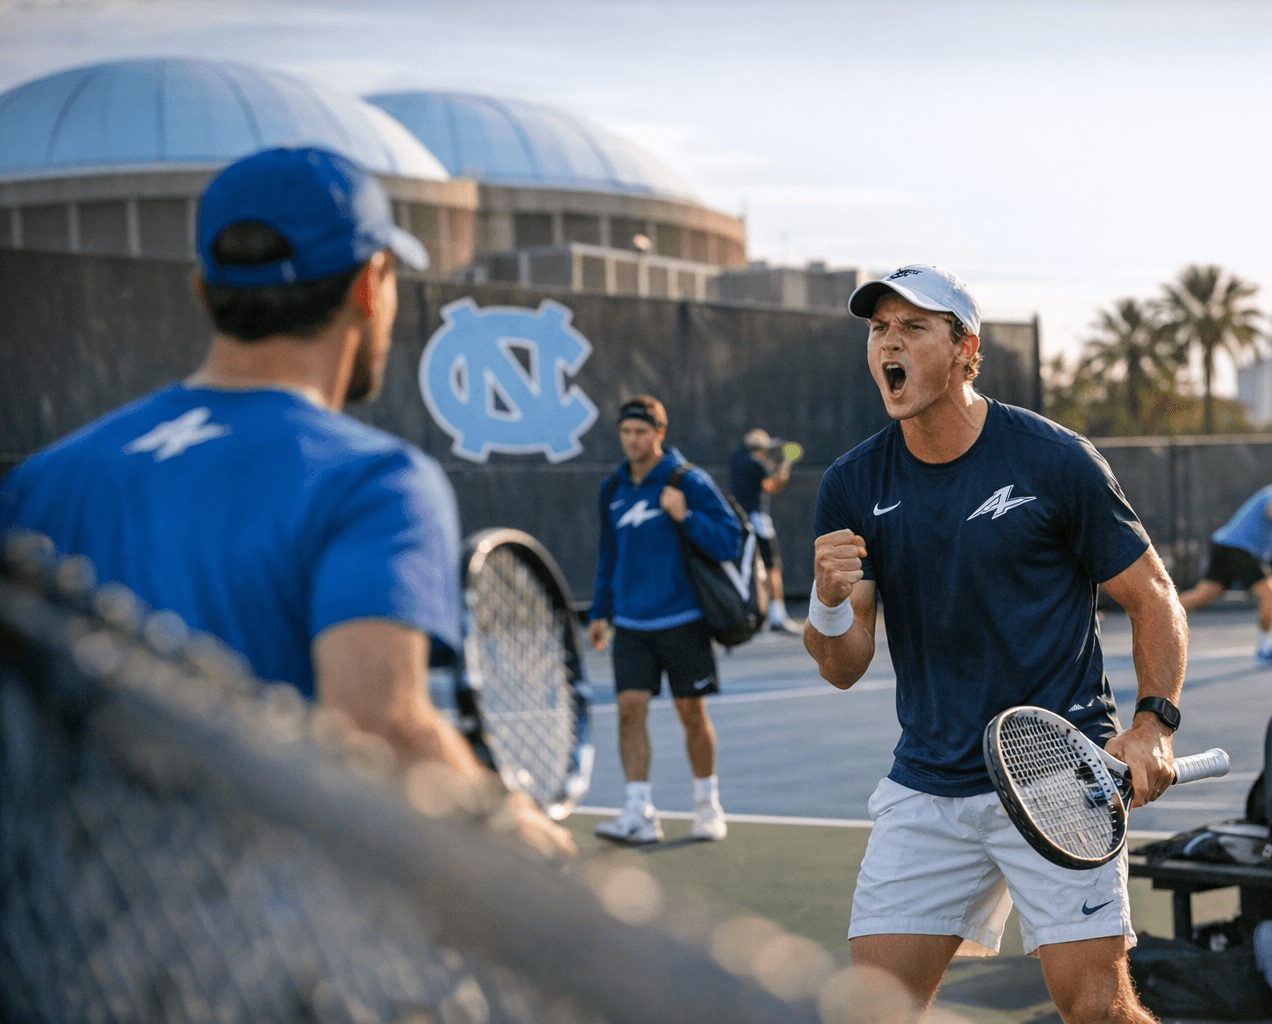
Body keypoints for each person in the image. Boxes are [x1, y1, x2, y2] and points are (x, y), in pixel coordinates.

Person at [0, 146, 574, 859]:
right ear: (371, 285)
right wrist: (510, 829)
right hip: (262, 915)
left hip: (64, 908)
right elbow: (379, 732)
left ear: (203, 291)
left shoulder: (39, 481)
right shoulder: (377, 482)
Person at [804, 264, 1186, 1024]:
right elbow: (844, 667)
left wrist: (1153, 725)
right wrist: (828, 602)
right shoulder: (852, 483)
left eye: (914, 327)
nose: (889, 343)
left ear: (966, 350)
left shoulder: (1055, 459)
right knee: (871, 1011)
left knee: (1096, 1009)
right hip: (928, 782)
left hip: (1058, 776)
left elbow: (1153, 597)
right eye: (879, 329)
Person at [587, 395, 742, 843]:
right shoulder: (612, 488)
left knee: (691, 714)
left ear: (659, 433)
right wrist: (600, 611)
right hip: (631, 625)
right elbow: (608, 554)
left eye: (641, 432)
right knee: (628, 712)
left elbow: (728, 540)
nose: (632, 440)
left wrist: (685, 515)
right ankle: (639, 813)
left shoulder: (688, 480)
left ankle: (707, 806)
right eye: (626, 432)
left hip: (683, 619)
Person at [1178, 464, 1272, 667]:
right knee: (1271, 592)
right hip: (1238, 549)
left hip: (1224, 546)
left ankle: (1156, 617)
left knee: (1205, 593)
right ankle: (1265, 651)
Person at [730, 427, 800, 633]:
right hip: (757, 520)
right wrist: (786, 464)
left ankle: (756, 617)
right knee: (772, 567)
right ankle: (777, 616)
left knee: (749, 568)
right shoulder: (756, 463)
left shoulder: (736, 459)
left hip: (738, 520)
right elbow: (773, 486)